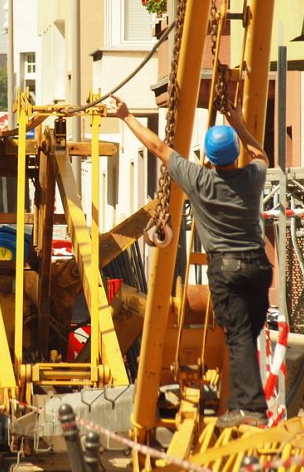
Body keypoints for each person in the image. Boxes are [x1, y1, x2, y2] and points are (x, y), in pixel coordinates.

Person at [108, 95, 272, 429]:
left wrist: (126, 116)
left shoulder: (200, 181)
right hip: (258, 267)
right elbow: (260, 155)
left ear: (209, 158)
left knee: (238, 336)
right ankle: (242, 403)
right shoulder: (253, 179)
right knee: (248, 334)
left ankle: (251, 410)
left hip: (227, 269)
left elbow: (157, 148)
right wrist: (239, 122)